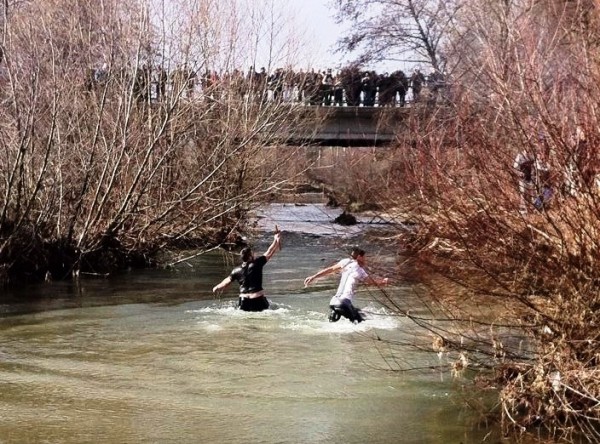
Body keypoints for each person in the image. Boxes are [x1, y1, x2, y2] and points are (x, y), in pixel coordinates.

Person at [303, 247, 389, 323]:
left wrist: (314, 277)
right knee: (362, 322)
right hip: (344, 303)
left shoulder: (345, 262)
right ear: (359, 257)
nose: (365, 260)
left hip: (333, 302)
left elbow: (330, 270)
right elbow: (371, 282)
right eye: (364, 258)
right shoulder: (360, 270)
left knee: (346, 318)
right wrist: (383, 281)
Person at [212, 230, 282, 312]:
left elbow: (225, 282)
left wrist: (216, 287)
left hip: (243, 301)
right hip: (257, 300)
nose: (254, 255)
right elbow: (269, 251)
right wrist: (275, 240)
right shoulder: (257, 263)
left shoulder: (236, 270)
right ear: (249, 257)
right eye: (252, 254)